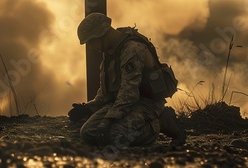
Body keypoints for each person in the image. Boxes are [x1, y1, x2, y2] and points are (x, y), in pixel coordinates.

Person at [68, 13, 186, 147]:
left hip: (145, 104)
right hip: (124, 103)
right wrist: (88, 108)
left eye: (91, 41)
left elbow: (129, 92)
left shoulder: (132, 49)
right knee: (88, 133)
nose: (91, 47)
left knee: (113, 136)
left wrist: (109, 119)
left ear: (101, 35)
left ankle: (161, 121)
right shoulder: (110, 52)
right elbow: (106, 92)